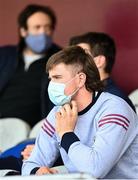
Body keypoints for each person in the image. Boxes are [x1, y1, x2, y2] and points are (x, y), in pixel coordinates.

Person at [22, 46, 138, 178]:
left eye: (57, 77)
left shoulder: (115, 110)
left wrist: (66, 134)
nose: (51, 84)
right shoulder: (58, 112)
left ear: (80, 79)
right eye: (50, 79)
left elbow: (94, 171)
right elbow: (30, 163)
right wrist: (37, 171)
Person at [0, 4, 61, 127]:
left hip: (37, 130)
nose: (43, 32)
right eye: (37, 27)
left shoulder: (62, 59)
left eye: (47, 27)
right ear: (23, 31)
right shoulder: (4, 55)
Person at [69, 32, 136, 112]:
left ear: (99, 61)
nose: (72, 61)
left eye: (82, 55)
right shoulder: (86, 94)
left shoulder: (114, 101)